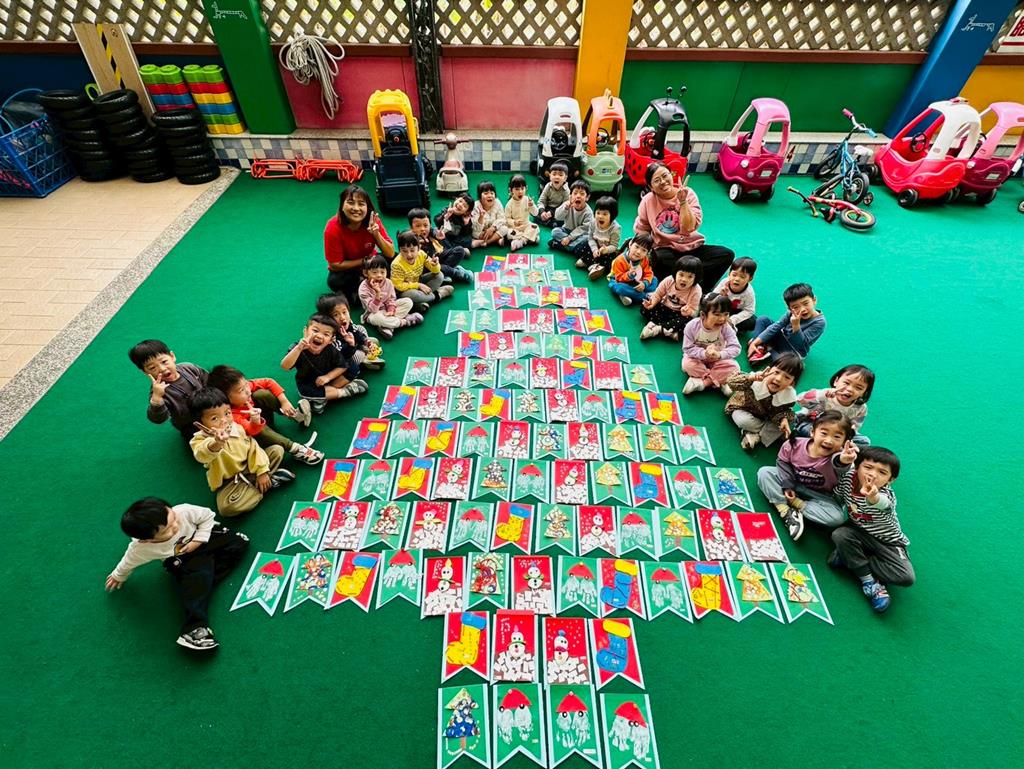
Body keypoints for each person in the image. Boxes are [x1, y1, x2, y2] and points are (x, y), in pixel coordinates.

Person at [105, 496, 250, 651]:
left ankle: (201, 586)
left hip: (203, 537)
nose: (175, 526)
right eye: (167, 530)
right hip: (182, 559)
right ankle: (193, 629)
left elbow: (208, 516)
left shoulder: (184, 511)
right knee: (199, 575)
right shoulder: (140, 549)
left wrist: (198, 540)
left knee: (240, 543)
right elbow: (128, 562)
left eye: (173, 518)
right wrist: (118, 575)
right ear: (146, 540)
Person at [829, 444, 913, 613]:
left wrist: (873, 497)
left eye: (882, 472)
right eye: (868, 467)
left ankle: (851, 558)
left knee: (906, 577)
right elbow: (836, 489)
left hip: (888, 542)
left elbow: (884, 503)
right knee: (839, 534)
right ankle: (868, 580)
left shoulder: (886, 495)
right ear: (857, 466)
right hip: (857, 531)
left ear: (890, 480)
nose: (872, 474)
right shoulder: (848, 478)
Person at [188, 387, 294, 516]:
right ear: (200, 424)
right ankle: (268, 483)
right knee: (226, 508)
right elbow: (202, 455)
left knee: (277, 450)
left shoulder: (236, 427)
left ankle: (260, 482)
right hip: (232, 480)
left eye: (227, 413)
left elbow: (253, 447)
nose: (224, 420)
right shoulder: (198, 440)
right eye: (215, 418)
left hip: (251, 466)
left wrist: (261, 471)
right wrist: (217, 442)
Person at [633, 161, 734, 290]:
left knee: (726, 254)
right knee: (660, 259)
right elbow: (643, 229)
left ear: (671, 175)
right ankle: (686, 279)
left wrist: (682, 202)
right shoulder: (648, 200)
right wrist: (638, 250)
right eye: (657, 180)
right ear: (650, 186)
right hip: (666, 249)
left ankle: (700, 287)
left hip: (692, 247)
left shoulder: (688, 194)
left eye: (665, 176)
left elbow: (689, 227)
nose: (663, 182)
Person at [756, 410, 853, 540]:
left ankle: (795, 504)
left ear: (844, 442)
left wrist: (843, 461)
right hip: (794, 482)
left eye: (837, 437)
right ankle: (785, 510)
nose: (829, 440)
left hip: (819, 495)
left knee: (837, 518)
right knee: (764, 473)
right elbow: (783, 463)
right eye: (824, 433)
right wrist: (787, 485)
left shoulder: (839, 457)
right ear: (812, 432)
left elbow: (839, 464)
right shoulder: (793, 444)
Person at [206, 365, 323, 465]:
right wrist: (255, 420)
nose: (247, 390)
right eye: (241, 390)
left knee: (262, 394)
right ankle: (296, 449)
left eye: (246, 384)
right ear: (227, 399)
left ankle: (296, 415)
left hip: (261, 420)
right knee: (260, 429)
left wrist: (284, 402)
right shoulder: (231, 416)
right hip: (255, 438)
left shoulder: (245, 388)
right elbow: (253, 431)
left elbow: (268, 382)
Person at [280, 314, 368, 414]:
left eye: (326, 334)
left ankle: (323, 398)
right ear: (305, 331)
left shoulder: (331, 349)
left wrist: (328, 377)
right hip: (310, 382)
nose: (319, 336)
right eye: (315, 330)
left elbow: (342, 366)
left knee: (352, 367)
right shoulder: (296, 348)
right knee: (304, 392)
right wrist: (299, 348)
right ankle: (345, 392)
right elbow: (285, 366)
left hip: (331, 379)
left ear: (331, 340)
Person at [323, 185, 395, 303]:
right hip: (349, 268)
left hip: (371, 263)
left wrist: (376, 234)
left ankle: (371, 288)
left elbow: (390, 253)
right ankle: (368, 288)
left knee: (395, 259)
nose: (356, 208)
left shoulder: (373, 221)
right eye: (350, 202)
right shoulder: (332, 228)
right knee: (335, 280)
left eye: (361, 204)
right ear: (342, 205)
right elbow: (335, 264)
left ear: (368, 207)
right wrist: (365, 261)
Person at [129, 340, 208, 441]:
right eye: (152, 368)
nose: (162, 369)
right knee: (200, 441)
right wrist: (157, 399)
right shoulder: (157, 392)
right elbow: (158, 419)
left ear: (172, 356)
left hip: (210, 410)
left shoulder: (189, 368)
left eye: (164, 362)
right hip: (190, 423)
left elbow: (211, 382)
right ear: (145, 372)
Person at [724, 352, 804, 450]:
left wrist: (784, 419)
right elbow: (731, 382)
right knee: (742, 420)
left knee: (786, 424)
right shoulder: (756, 380)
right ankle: (759, 433)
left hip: (767, 416)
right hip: (744, 408)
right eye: (776, 372)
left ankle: (754, 435)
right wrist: (751, 378)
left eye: (787, 377)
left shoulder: (789, 395)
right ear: (769, 369)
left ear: (792, 383)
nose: (779, 379)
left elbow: (786, 410)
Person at [795, 364, 875, 445]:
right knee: (809, 430)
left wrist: (850, 432)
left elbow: (855, 426)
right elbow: (799, 399)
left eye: (858, 388)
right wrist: (821, 394)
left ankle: (835, 446)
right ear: (836, 381)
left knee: (864, 441)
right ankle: (834, 445)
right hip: (811, 424)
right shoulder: (824, 395)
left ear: (864, 392)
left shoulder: (861, 408)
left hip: (838, 433)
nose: (850, 389)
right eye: (846, 383)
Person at [747, 282, 825, 365]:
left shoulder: (819, 322)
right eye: (795, 307)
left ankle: (767, 348)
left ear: (814, 300)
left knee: (787, 364)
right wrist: (755, 343)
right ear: (790, 309)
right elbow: (776, 326)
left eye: (806, 303)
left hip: (792, 349)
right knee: (763, 319)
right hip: (781, 337)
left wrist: (796, 326)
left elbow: (800, 344)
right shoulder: (791, 312)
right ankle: (760, 347)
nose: (802, 309)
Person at [681, 293, 741, 395]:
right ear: (703, 315)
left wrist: (719, 354)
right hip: (697, 358)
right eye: (717, 314)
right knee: (687, 365)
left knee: (734, 367)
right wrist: (704, 353)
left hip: (717, 359)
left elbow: (736, 347)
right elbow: (687, 348)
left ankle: (703, 382)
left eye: (726, 314)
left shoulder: (726, 327)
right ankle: (721, 380)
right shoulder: (692, 326)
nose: (722, 319)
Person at [316, 292, 386, 372]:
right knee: (356, 356)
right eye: (336, 315)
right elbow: (341, 355)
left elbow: (355, 332)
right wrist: (350, 345)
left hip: (351, 343)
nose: (342, 317)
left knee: (360, 328)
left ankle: (365, 346)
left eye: (344, 312)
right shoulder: (330, 336)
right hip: (345, 355)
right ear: (327, 319)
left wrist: (365, 341)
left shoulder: (346, 323)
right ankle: (365, 359)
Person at [357, 254, 423, 340]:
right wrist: (377, 294)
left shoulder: (388, 282)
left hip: (387, 310)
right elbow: (373, 310)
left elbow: (391, 298)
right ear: (365, 273)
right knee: (377, 318)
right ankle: (405, 321)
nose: (379, 275)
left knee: (408, 302)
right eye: (374, 272)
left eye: (382, 272)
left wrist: (391, 309)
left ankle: (387, 326)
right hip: (373, 313)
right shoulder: (363, 289)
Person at [641, 254, 703, 341]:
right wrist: (652, 303)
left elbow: (693, 311)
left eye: (690, 276)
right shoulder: (669, 280)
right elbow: (658, 294)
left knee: (689, 323)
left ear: (696, 278)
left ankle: (657, 329)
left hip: (678, 314)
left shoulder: (696, 290)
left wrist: (687, 312)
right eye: (681, 274)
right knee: (644, 307)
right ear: (675, 273)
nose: (684, 279)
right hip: (663, 308)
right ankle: (669, 330)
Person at [391, 230, 453, 312]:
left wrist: (435, 264)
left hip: (418, 282)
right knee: (412, 295)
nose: (409, 254)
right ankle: (437, 295)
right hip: (404, 291)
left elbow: (436, 271)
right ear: (399, 250)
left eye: (412, 250)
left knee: (439, 275)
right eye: (404, 251)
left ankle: (423, 300)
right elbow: (398, 286)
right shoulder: (396, 264)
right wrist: (418, 285)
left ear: (419, 248)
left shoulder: (421, 254)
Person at [407, 207, 473, 284]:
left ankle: (446, 272)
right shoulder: (410, 239)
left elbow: (434, 231)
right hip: (428, 265)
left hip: (438, 257)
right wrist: (421, 246)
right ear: (411, 228)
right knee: (437, 267)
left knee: (460, 250)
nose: (422, 229)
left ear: (429, 225)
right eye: (418, 226)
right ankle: (457, 272)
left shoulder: (430, 231)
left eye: (425, 225)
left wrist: (437, 235)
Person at [576, 195, 622, 280]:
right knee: (581, 246)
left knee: (612, 262)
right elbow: (590, 238)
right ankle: (593, 265)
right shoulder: (593, 222)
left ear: (612, 215)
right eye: (598, 213)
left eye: (605, 214)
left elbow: (614, 246)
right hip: (595, 247)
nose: (600, 216)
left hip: (607, 251)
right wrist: (594, 249)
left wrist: (606, 250)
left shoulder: (616, 228)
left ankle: (590, 263)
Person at [608, 233, 657, 307]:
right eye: (636, 247)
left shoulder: (645, 260)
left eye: (644, 250)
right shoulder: (619, 260)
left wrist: (644, 284)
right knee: (619, 288)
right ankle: (644, 296)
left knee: (654, 280)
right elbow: (618, 278)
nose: (638, 252)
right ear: (630, 244)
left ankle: (629, 295)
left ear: (647, 253)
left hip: (638, 282)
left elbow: (648, 273)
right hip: (621, 282)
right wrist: (629, 275)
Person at [712, 256, 758, 332]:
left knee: (754, 321)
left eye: (742, 277)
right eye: (734, 275)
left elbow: (749, 311)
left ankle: (729, 328)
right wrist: (720, 296)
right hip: (722, 309)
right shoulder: (724, 282)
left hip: (736, 312)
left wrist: (733, 320)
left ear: (750, 279)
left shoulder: (749, 292)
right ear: (729, 274)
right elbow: (711, 299)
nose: (737, 279)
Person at [549, 179, 593, 253]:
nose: (578, 196)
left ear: (587, 197)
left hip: (580, 234)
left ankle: (564, 246)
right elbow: (557, 217)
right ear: (570, 196)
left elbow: (584, 229)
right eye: (575, 193)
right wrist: (565, 208)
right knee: (555, 231)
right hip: (567, 230)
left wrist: (569, 238)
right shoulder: (567, 204)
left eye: (582, 194)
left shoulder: (588, 212)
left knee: (587, 238)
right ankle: (572, 247)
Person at [503, 175, 541, 251]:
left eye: (522, 188)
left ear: (526, 188)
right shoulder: (509, 204)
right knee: (509, 233)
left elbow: (536, 213)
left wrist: (532, 205)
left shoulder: (527, 200)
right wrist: (514, 222)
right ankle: (530, 238)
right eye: (517, 189)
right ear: (511, 190)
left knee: (535, 227)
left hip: (526, 225)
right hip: (515, 228)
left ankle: (522, 241)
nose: (520, 192)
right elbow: (507, 219)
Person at [472, 181, 506, 248]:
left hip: (494, 229)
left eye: (492, 193)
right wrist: (481, 217)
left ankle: (486, 242)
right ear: (480, 197)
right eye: (486, 193)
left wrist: (492, 228)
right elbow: (476, 228)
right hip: (481, 232)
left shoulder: (497, 202)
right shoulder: (476, 206)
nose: (490, 196)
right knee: (475, 234)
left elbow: (502, 219)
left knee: (505, 228)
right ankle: (496, 239)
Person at [536, 161, 570, 226]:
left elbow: (564, 207)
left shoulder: (566, 190)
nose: (557, 177)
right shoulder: (548, 186)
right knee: (534, 212)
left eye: (560, 175)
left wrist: (552, 213)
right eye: (554, 174)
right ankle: (550, 222)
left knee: (565, 217)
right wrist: (542, 212)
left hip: (558, 211)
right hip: (547, 208)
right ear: (550, 176)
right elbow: (541, 201)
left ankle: (549, 222)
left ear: (565, 178)